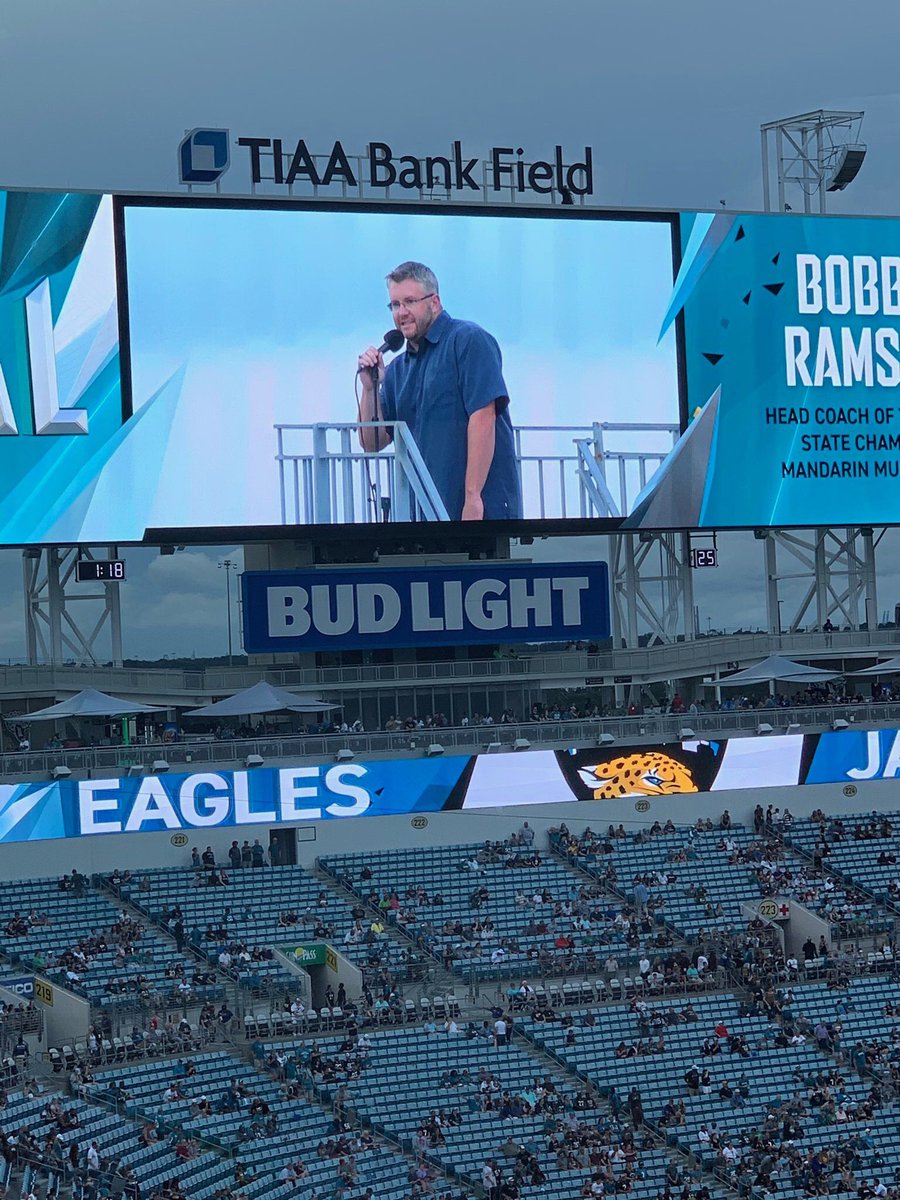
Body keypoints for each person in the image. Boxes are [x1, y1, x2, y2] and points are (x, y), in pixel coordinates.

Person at [356, 261, 522, 522]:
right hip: (421, 516)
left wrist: (473, 499)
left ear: (434, 302)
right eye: (395, 305)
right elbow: (372, 443)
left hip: (475, 512)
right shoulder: (398, 369)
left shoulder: (468, 340)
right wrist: (370, 389)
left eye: (410, 301)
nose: (402, 313)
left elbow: (483, 417)